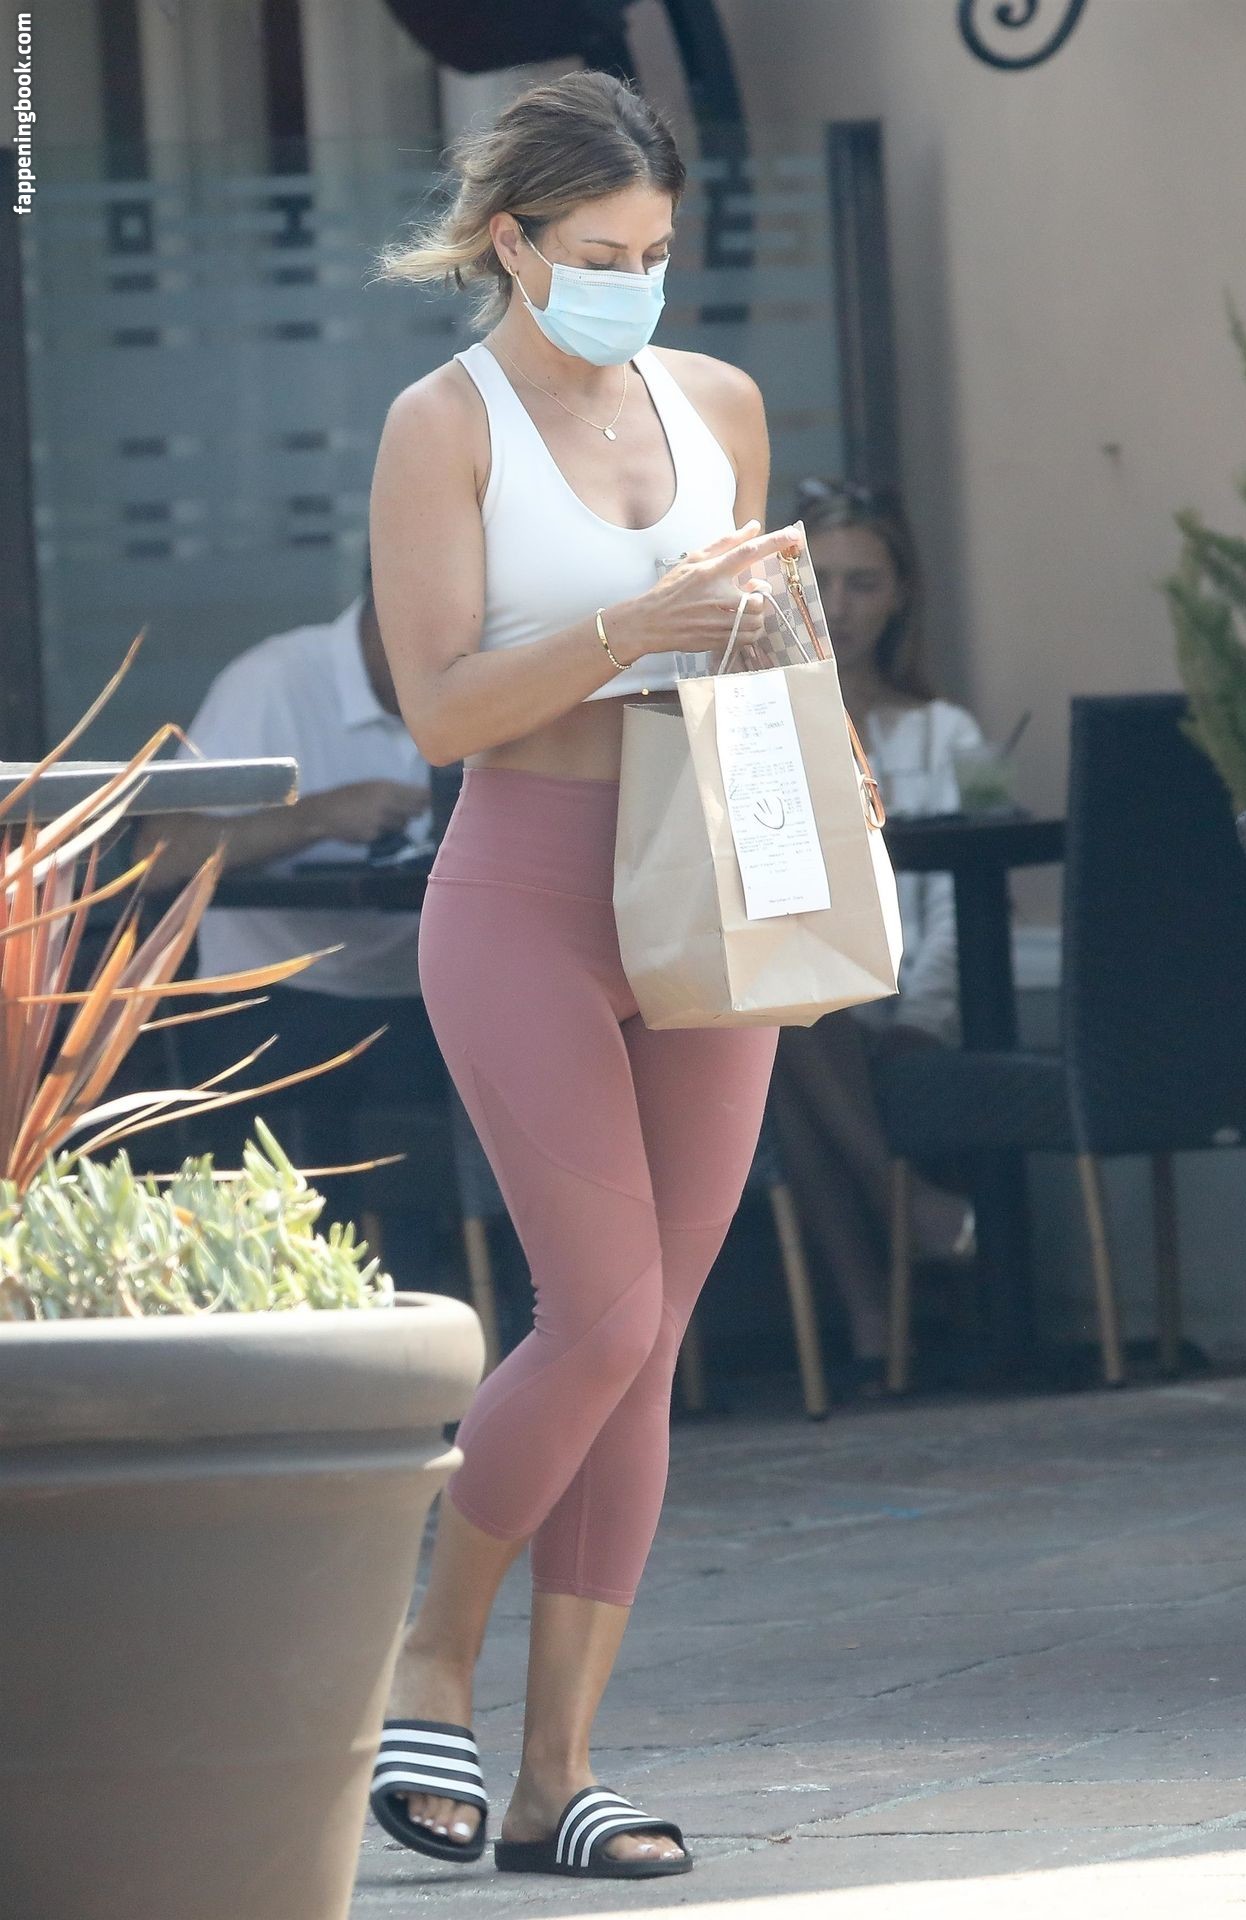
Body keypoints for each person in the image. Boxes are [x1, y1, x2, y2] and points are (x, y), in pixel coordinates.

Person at [364, 71, 796, 1881]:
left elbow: (756, 649)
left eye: (655, 252)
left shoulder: (718, 405)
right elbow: (439, 708)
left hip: (707, 884)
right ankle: (424, 1659)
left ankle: (557, 1773)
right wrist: (630, 623)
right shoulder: (441, 426)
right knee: (598, 1314)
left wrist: (810, 736)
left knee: (652, 1345)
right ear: (509, 240)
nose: (634, 282)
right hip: (524, 889)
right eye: (598, 253)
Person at [133, 556, 447, 1225]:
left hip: (427, 996)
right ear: (391, 607)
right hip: (276, 1000)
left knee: (448, 1200)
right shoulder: (275, 680)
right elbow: (159, 855)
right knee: (291, 1217)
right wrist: (316, 816)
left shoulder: (483, 683)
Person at [768, 479, 983, 1379]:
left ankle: (869, 1321)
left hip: (917, 1004)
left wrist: (921, 1018)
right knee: (781, 1015)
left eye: (864, 583)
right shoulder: (767, 728)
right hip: (820, 998)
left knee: (782, 1043)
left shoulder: (943, 733)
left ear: (899, 596)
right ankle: (901, 1207)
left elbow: (964, 907)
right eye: (820, 581)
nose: (842, 606)